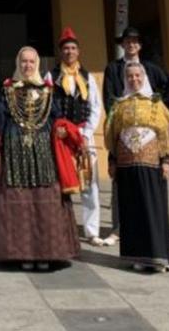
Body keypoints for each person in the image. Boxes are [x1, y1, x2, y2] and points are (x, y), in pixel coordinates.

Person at [0, 46, 81, 270]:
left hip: (44, 155)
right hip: (14, 155)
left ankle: (47, 253)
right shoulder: (7, 91)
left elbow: (59, 118)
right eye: (23, 62)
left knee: (46, 201)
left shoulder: (48, 91)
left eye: (31, 62)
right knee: (18, 203)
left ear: (37, 64)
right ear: (18, 64)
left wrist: (62, 130)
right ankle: (22, 255)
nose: (27, 66)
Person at [101, 26, 169, 247]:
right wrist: (118, 116)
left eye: (135, 41)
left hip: (150, 132)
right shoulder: (113, 69)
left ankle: (154, 228)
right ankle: (118, 228)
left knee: (151, 185)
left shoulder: (151, 69)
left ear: (140, 45)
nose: (131, 45)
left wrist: (162, 105)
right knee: (121, 184)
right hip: (123, 128)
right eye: (127, 41)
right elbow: (108, 97)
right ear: (122, 45)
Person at [49, 28, 104, 246]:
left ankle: (91, 231)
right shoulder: (51, 76)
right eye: (66, 48)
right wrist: (57, 128)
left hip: (82, 135)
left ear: (78, 51)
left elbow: (95, 107)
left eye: (73, 48)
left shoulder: (88, 77)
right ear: (61, 52)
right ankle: (64, 226)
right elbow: (49, 106)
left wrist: (86, 132)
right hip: (61, 136)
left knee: (89, 182)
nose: (70, 52)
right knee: (61, 180)